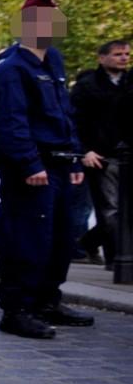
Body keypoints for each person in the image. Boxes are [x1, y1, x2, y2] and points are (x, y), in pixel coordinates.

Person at [0, 0, 99, 338]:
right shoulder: (11, 67)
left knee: (63, 238)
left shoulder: (54, 61)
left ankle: (48, 301)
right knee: (28, 239)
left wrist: (76, 154)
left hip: (62, 165)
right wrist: (29, 163)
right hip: (33, 167)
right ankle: (17, 309)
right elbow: (11, 122)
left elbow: (65, 114)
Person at [71, 39, 130, 267]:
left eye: (126, 54)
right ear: (102, 58)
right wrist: (84, 151)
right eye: (118, 54)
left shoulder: (130, 82)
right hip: (101, 156)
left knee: (125, 210)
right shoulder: (88, 85)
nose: (124, 58)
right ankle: (118, 260)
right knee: (110, 210)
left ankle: (86, 242)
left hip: (126, 153)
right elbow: (76, 120)